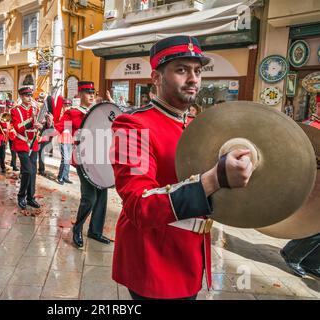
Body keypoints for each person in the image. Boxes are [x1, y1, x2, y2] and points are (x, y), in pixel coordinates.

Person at [110, 36, 253, 300]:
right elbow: (138, 206)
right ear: (156, 77)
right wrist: (216, 177)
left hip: (190, 254)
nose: (193, 79)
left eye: (197, 71)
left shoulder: (196, 126)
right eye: (181, 69)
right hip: (153, 258)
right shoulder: (131, 126)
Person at [55, 81, 111, 248]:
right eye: (87, 92)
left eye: (93, 91)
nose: (92, 94)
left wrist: (112, 103)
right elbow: (59, 127)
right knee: (89, 197)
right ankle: (77, 229)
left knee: (102, 195)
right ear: (79, 95)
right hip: (83, 157)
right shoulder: (73, 113)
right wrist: (48, 123)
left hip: (100, 158)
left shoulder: (99, 111)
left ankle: (95, 231)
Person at [280, 94, 320, 279]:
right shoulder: (310, 127)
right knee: (315, 224)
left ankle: (311, 261)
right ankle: (293, 254)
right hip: (311, 184)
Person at [10, 87, 42, 209]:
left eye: (30, 95)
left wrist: (43, 124)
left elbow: (40, 125)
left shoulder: (36, 109)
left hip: (33, 143)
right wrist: (31, 119)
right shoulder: (15, 110)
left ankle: (30, 197)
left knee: (33, 171)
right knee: (27, 170)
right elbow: (18, 127)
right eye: (27, 95)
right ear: (22, 97)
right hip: (22, 143)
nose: (30, 98)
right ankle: (21, 195)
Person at [56, 98, 73, 185]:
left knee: (68, 159)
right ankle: (60, 177)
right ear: (63, 106)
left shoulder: (71, 115)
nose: (67, 106)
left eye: (69, 105)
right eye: (65, 105)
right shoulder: (61, 115)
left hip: (70, 139)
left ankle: (66, 176)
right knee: (65, 159)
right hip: (62, 138)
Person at [37, 92, 54, 176]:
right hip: (37, 132)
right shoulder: (37, 108)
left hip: (44, 132)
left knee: (41, 152)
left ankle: (41, 169)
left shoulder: (47, 111)